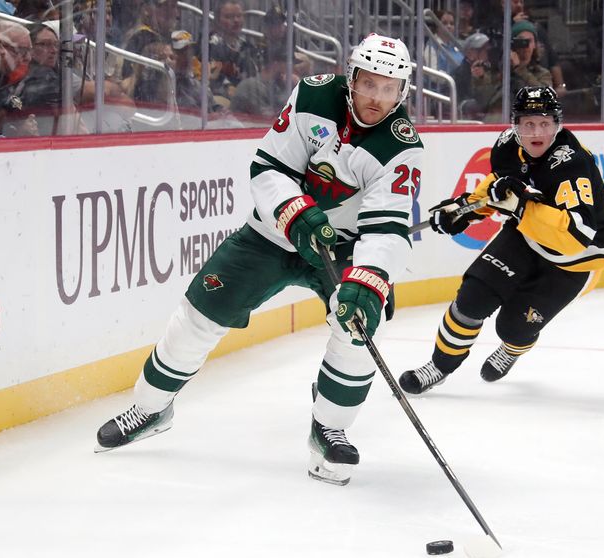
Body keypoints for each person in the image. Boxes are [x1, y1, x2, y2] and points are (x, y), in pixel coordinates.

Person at [94, 34, 423, 488]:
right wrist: (296, 214)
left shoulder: (401, 146)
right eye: (369, 83)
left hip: (345, 247)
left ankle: (329, 428)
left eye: (389, 88)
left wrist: (367, 282)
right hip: (273, 233)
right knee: (199, 313)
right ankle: (151, 407)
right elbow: (269, 167)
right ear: (352, 77)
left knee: (361, 326)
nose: (376, 97)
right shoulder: (313, 95)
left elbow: (387, 228)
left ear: (402, 92)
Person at [399, 86, 604, 393]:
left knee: (512, 327)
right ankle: (439, 366)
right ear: (515, 125)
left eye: (544, 123)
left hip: (575, 260)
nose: (536, 131)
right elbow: (501, 187)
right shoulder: (507, 146)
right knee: (472, 298)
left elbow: (577, 237)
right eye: (528, 123)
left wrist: (519, 206)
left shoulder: (573, 165)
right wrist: (462, 209)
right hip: (527, 236)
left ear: (558, 124)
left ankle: (513, 348)